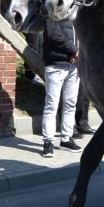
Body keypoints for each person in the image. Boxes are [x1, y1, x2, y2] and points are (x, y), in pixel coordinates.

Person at [40, 17, 81, 157]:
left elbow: (81, 35)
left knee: (70, 104)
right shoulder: (52, 11)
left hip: (74, 66)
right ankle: (48, 142)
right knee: (52, 105)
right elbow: (54, 35)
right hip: (56, 64)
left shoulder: (75, 13)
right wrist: (74, 50)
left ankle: (66, 139)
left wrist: (79, 52)